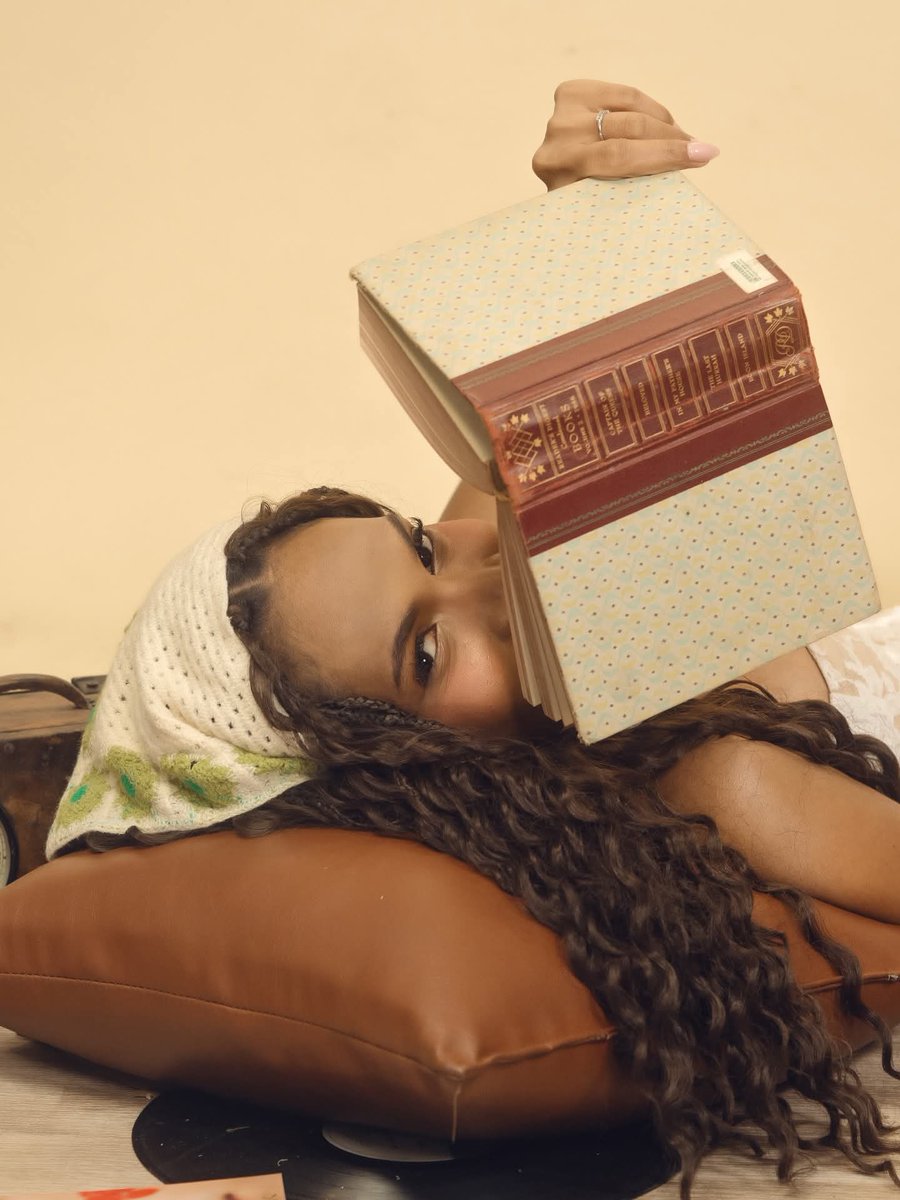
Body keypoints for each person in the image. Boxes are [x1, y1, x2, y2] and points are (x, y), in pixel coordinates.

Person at [48, 81, 900, 1194]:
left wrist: (579, 228)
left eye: (418, 540)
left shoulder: (517, 609)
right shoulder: (716, 777)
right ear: (412, 765)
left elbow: (502, 479)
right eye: (426, 652)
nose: (489, 564)